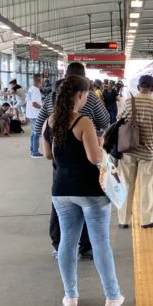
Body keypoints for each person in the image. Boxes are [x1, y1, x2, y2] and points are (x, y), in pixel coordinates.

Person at [42, 75, 124, 306]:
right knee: (100, 242)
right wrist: (99, 142)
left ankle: (70, 297)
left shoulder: (50, 120)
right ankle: (112, 296)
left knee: (67, 241)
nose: (87, 96)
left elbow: (47, 154)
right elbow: (95, 158)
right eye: (86, 93)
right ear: (79, 95)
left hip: (61, 191)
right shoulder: (83, 122)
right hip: (89, 191)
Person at [35, 62, 107, 260]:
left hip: (60, 161)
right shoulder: (89, 96)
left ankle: (58, 244)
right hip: (85, 157)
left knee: (61, 204)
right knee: (87, 204)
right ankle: (86, 246)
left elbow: (40, 125)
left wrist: (50, 137)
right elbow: (104, 120)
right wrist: (96, 138)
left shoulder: (52, 96)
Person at [118, 74, 153, 229]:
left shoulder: (128, 103)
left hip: (128, 150)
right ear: (152, 88)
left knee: (126, 185)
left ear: (138, 87)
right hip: (147, 152)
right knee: (146, 186)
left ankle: (124, 220)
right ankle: (146, 220)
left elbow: (119, 121)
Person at [26, 74, 44, 158]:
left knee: (33, 133)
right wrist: (43, 107)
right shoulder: (36, 90)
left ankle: (32, 149)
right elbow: (34, 104)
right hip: (35, 114)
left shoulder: (31, 88)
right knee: (36, 133)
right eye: (41, 80)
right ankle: (35, 152)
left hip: (30, 114)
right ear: (38, 81)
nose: (42, 82)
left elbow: (29, 101)